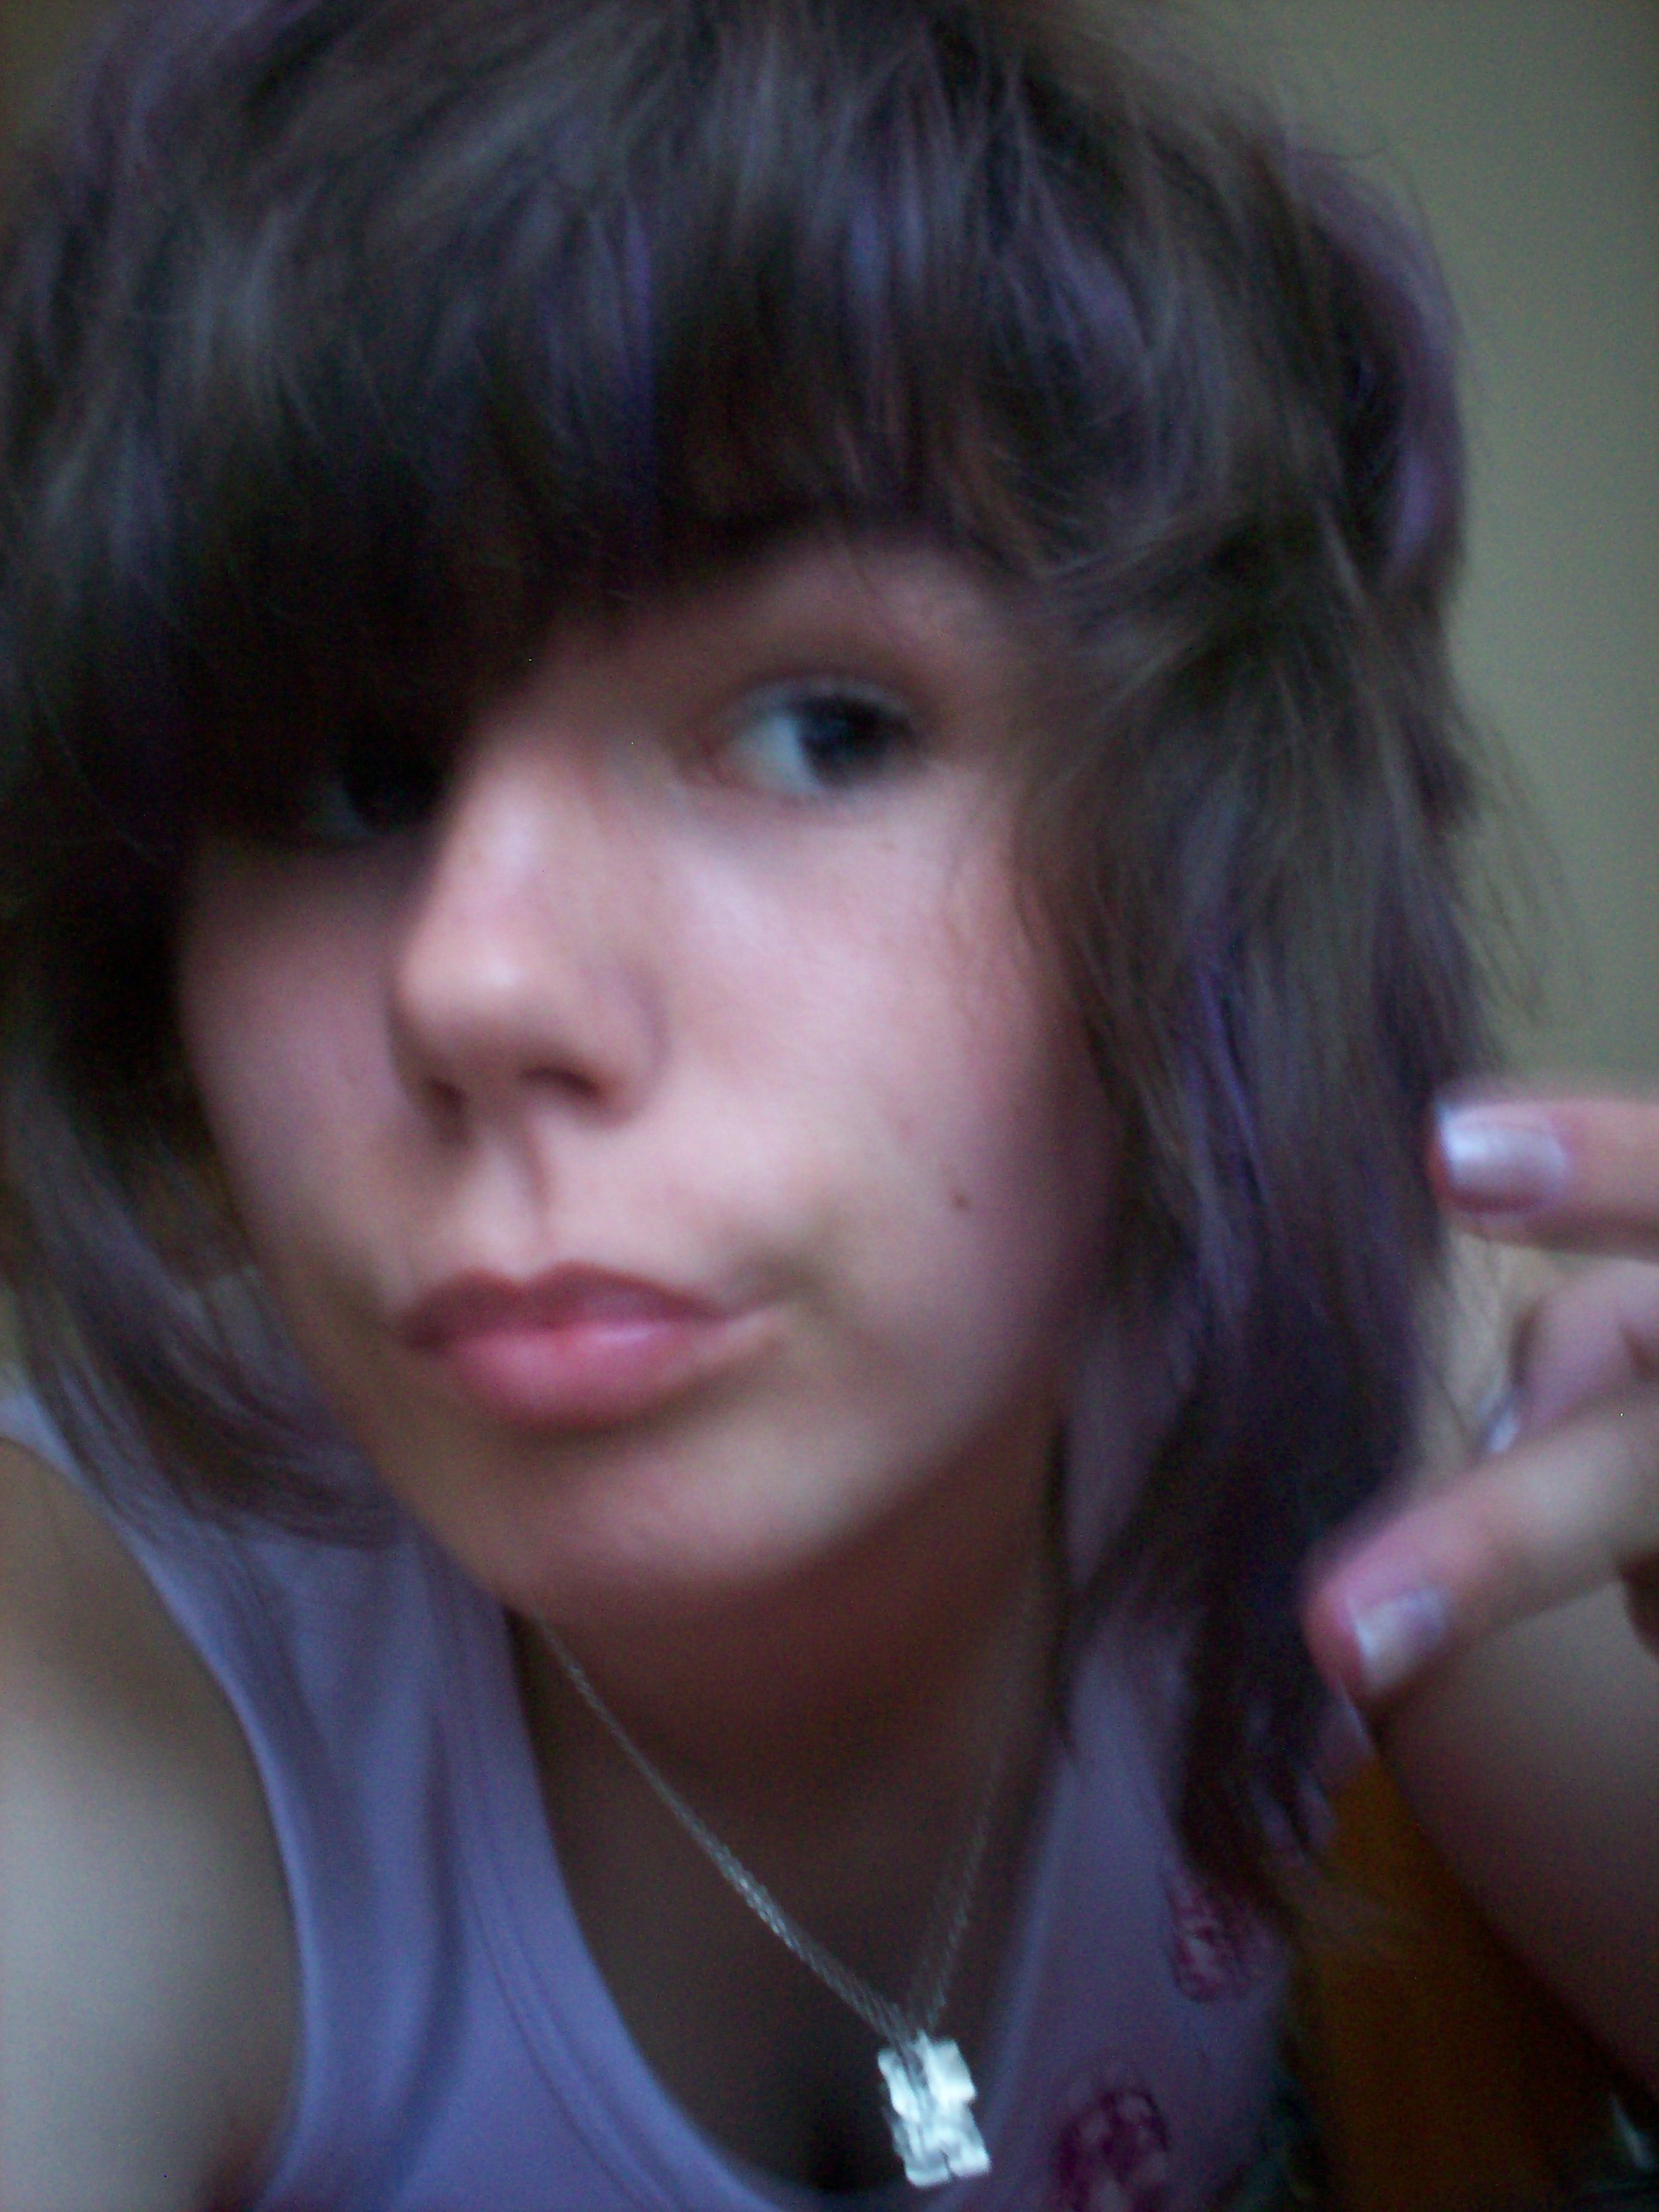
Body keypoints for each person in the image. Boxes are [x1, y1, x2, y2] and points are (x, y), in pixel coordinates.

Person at [0, 0, 1652, 2205]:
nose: (469, 980)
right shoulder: (76, 1681)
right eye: (349, 782)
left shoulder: (1383, 1373)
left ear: (1203, 851)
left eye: (821, 730)